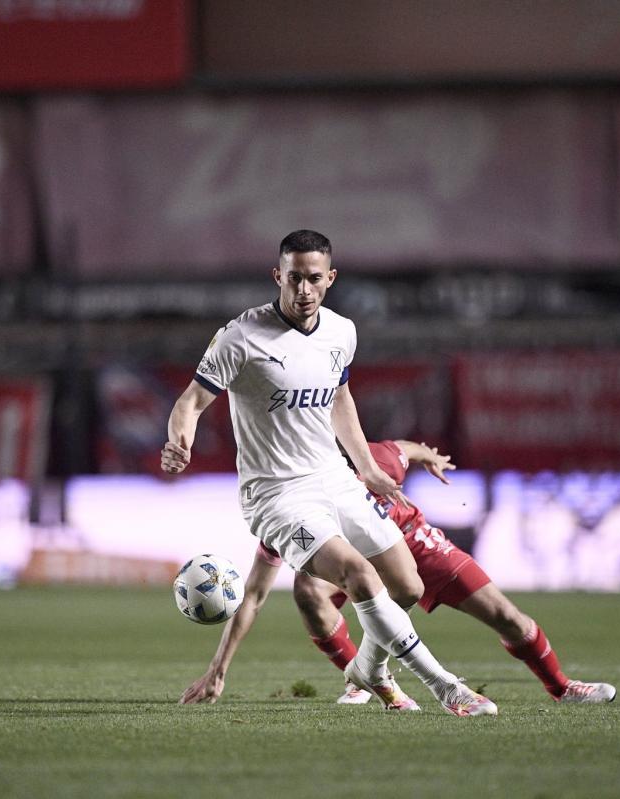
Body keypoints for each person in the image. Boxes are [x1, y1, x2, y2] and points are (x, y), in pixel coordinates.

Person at [162, 229, 496, 716]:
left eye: (313, 279)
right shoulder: (241, 337)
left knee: (407, 587)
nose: (302, 290)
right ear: (277, 276)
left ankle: (366, 669)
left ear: (330, 279)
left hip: (333, 478)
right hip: (277, 495)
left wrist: (366, 468)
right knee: (359, 574)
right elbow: (191, 401)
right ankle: (446, 687)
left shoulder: (342, 333)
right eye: (293, 278)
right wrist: (180, 441)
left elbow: (340, 401)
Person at [180, 439, 617, 706]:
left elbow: (403, 450)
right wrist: (219, 668)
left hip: (413, 542)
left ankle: (562, 688)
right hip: (350, 559)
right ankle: (366, 679)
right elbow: (253, 595)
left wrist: (429, 457)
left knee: (509, 619)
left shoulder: (371, 459)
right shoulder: (293, 502)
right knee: (307, 590)